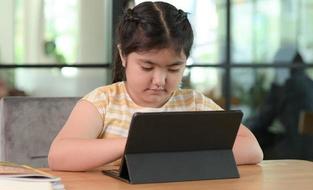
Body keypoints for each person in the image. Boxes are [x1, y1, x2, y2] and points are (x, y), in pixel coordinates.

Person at [48, 1, 263, 171]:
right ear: (123, 55)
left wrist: (174, 148)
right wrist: (137, 144)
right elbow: (59, 155)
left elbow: (252, 149)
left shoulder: (193, 103)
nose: (160, 80)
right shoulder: (103, 102)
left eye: (173, 69)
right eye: (147, 67)